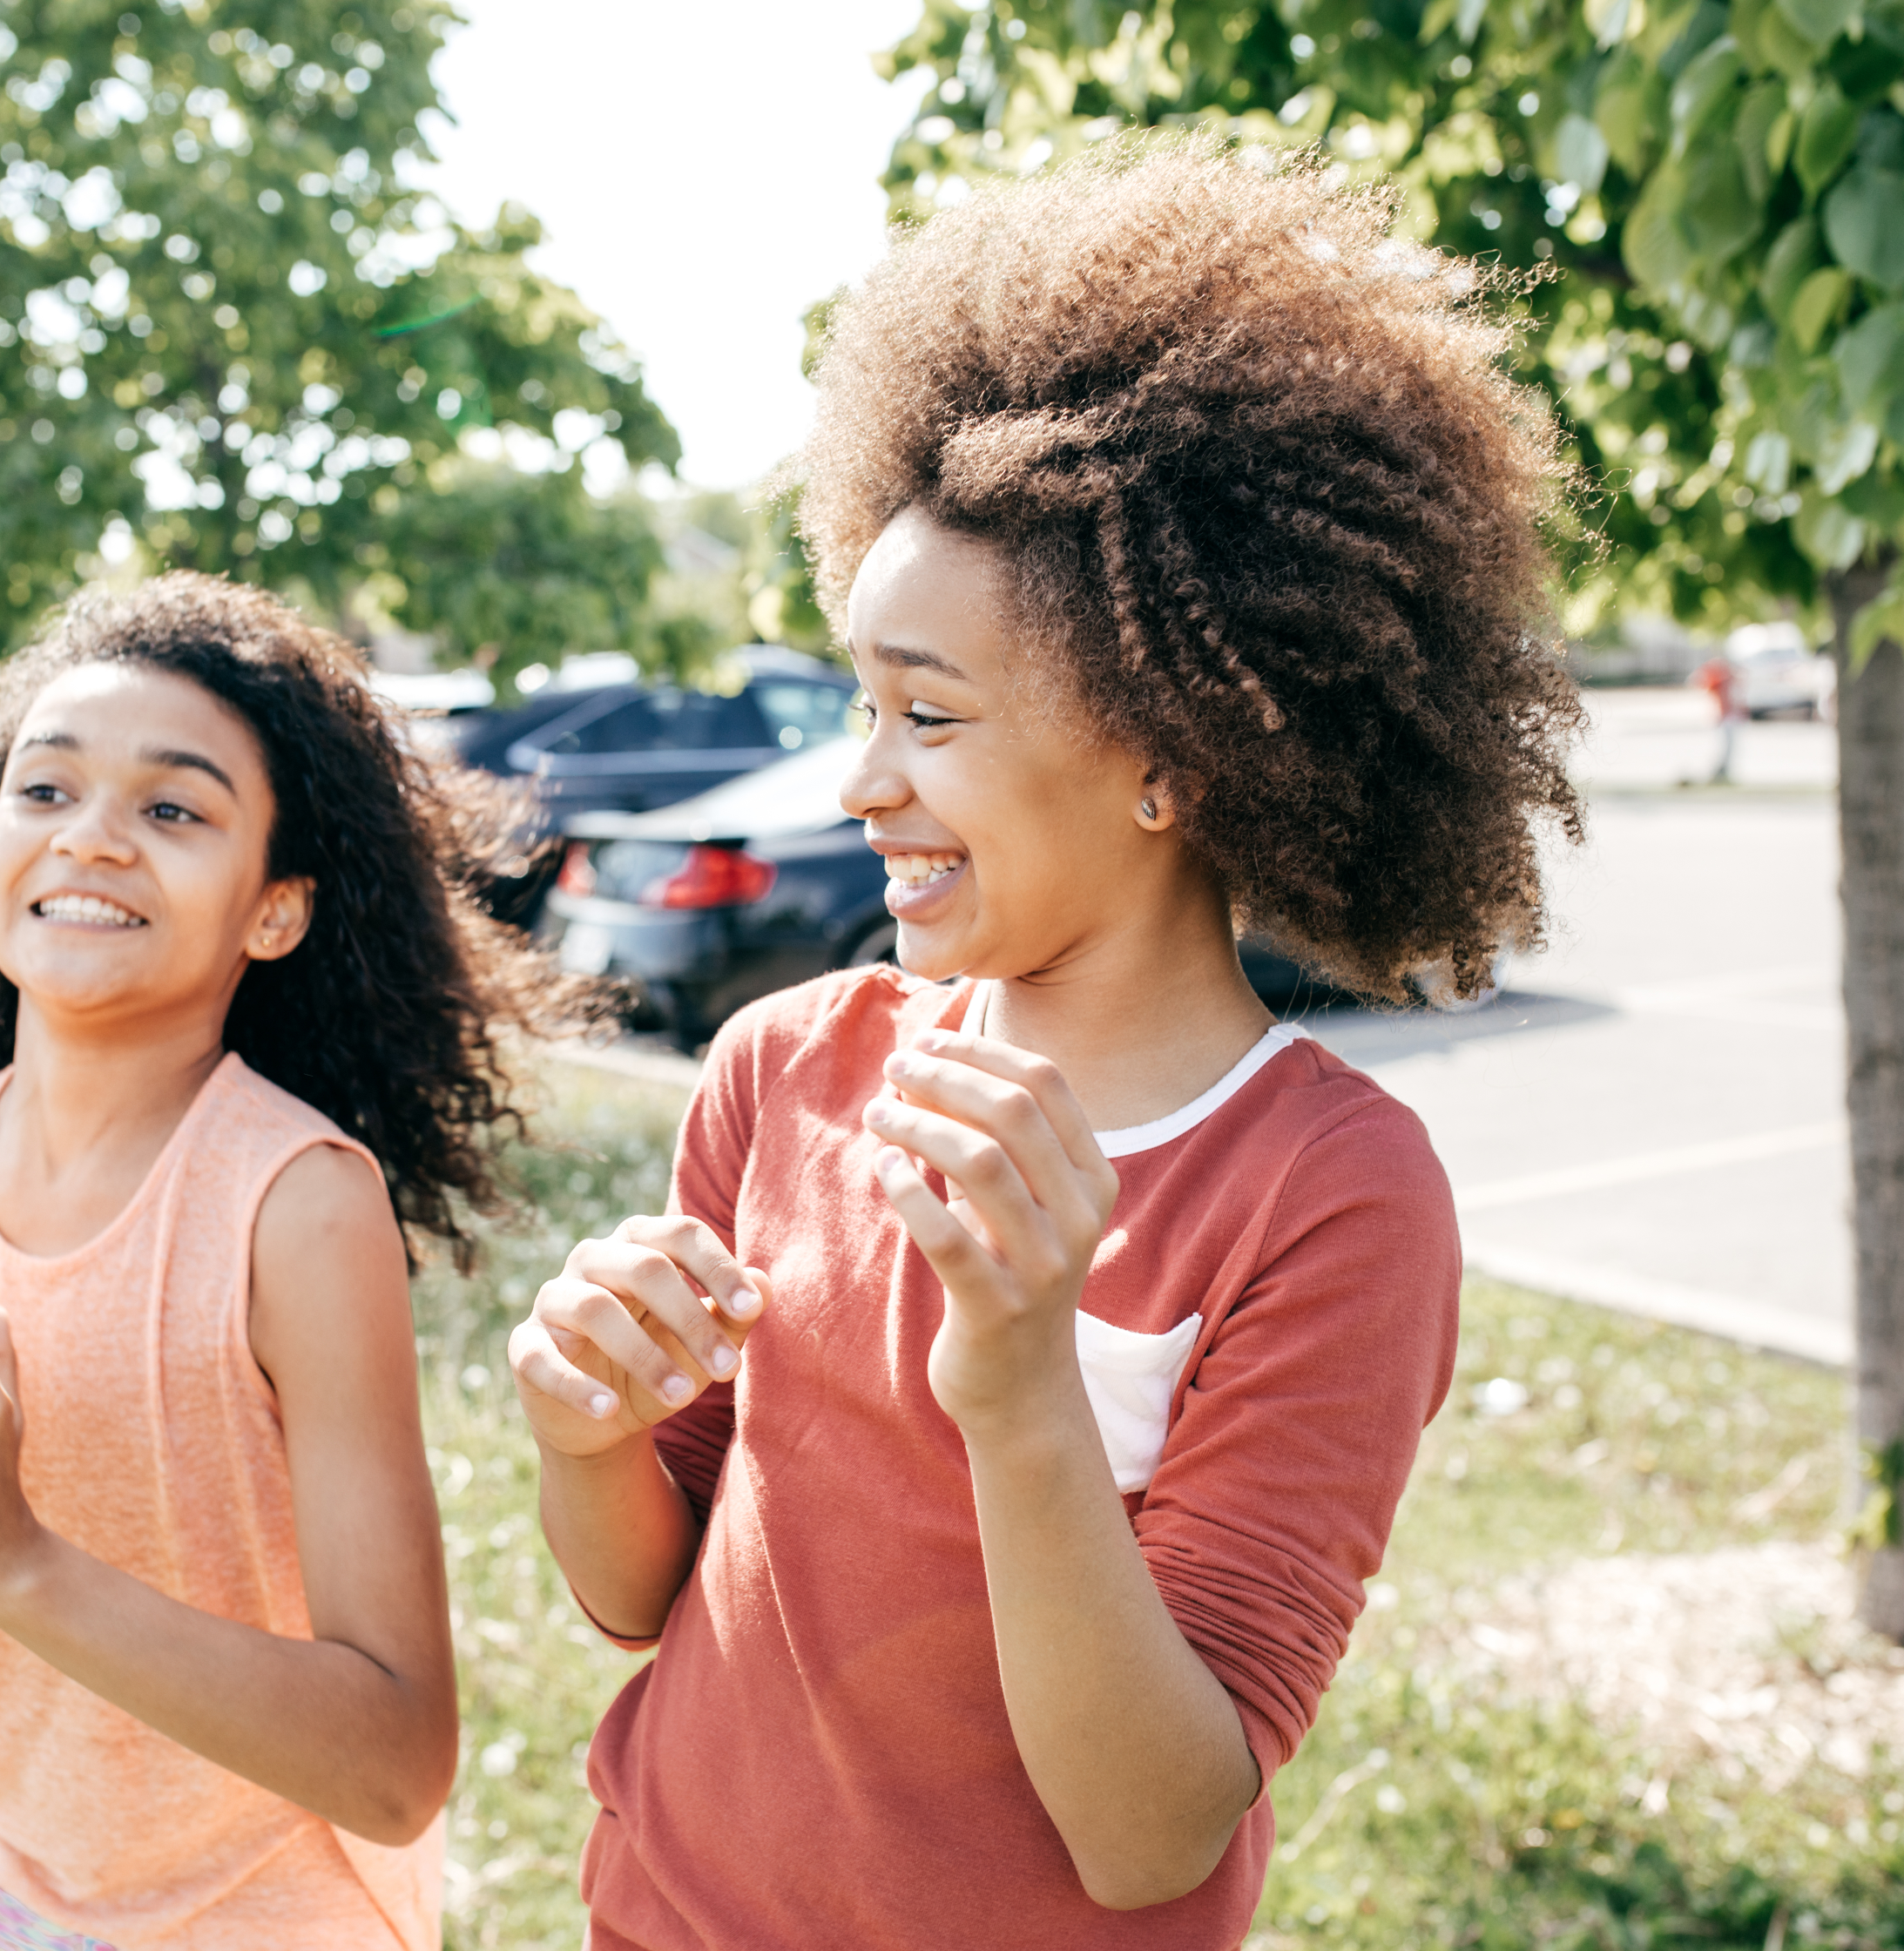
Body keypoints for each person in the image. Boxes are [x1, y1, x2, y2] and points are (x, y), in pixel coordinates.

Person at [507, 138, 1584, 1949]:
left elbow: (1155, 1827)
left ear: (1175, 756)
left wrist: (1017, 1392)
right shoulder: (785, 1065)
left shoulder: (1326, 1194)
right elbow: (645, 1587)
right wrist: (577, 1425)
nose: (861, 780)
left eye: (927, 713)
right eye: (864, 700)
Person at [0, 573, 577, 1949]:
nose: (93, 842)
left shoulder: (294, 1206)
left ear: (276, 910)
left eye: (174, 809)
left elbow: (394, 1760)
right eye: (47, 790)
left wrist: (12, 1560)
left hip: (262, 1914)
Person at [1695, 651, 1742, 784]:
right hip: (1722, 717)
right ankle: (1717, 772)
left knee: (1729, 746)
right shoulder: (1718, 681)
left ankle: (1723, 771)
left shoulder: (1728, 681)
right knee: (1721, 746)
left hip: (1729, 716)